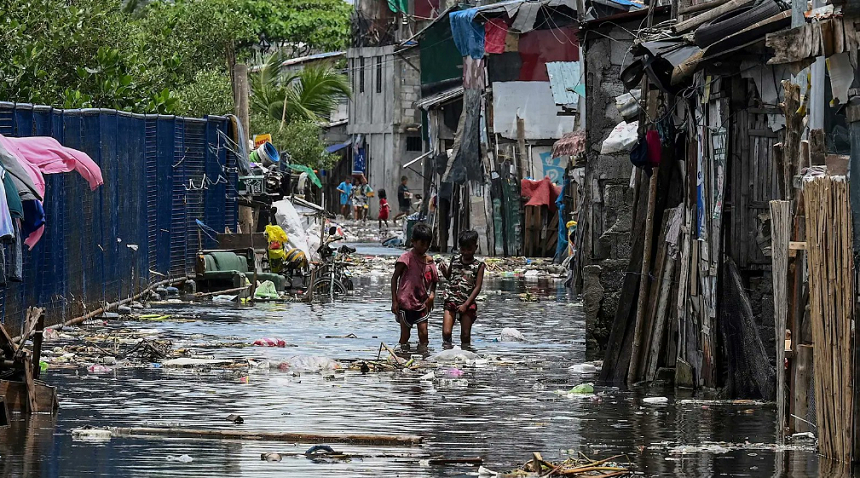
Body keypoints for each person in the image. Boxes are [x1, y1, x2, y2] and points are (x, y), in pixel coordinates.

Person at [391, 223, 438, 351]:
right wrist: (394, 301)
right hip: (405, 303)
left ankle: (423, 358)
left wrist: (432, 295)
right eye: (422, 244)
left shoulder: (429, 261)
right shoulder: (406, 259)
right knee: (405, 336)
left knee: (424, 334)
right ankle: (401, 357)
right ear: (413, 242)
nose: (425, 247)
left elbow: (434, 280)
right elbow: (394, 278)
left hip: (422, 303)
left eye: (427, 244)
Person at [438, 230, 485, 348]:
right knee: (446, 333)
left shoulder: (479, 266)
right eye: (463, 249)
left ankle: (466, 357)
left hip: (467, 303)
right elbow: (450, 276)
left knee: (465, 335)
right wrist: (444, 272)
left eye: (469, 249)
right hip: (451, 300)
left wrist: (466, 305)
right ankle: (447, 352)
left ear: (476, 247)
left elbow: (477, 287)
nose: (466, 252)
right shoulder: (455, 260)